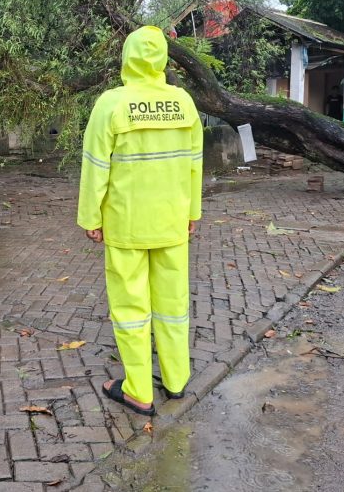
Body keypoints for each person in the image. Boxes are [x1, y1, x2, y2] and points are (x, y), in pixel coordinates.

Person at [77, 26, 203, 416]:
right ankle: (176, 380)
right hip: (171, 222)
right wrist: (192, 212)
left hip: (127, 223)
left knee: (131, 310)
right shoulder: (183, 102)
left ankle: (138, 390)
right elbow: (195, 164)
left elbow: (95, 166)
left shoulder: (111, 103)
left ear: (127, 58)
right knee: (172, 304)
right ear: (163, 60)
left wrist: (90, 217)